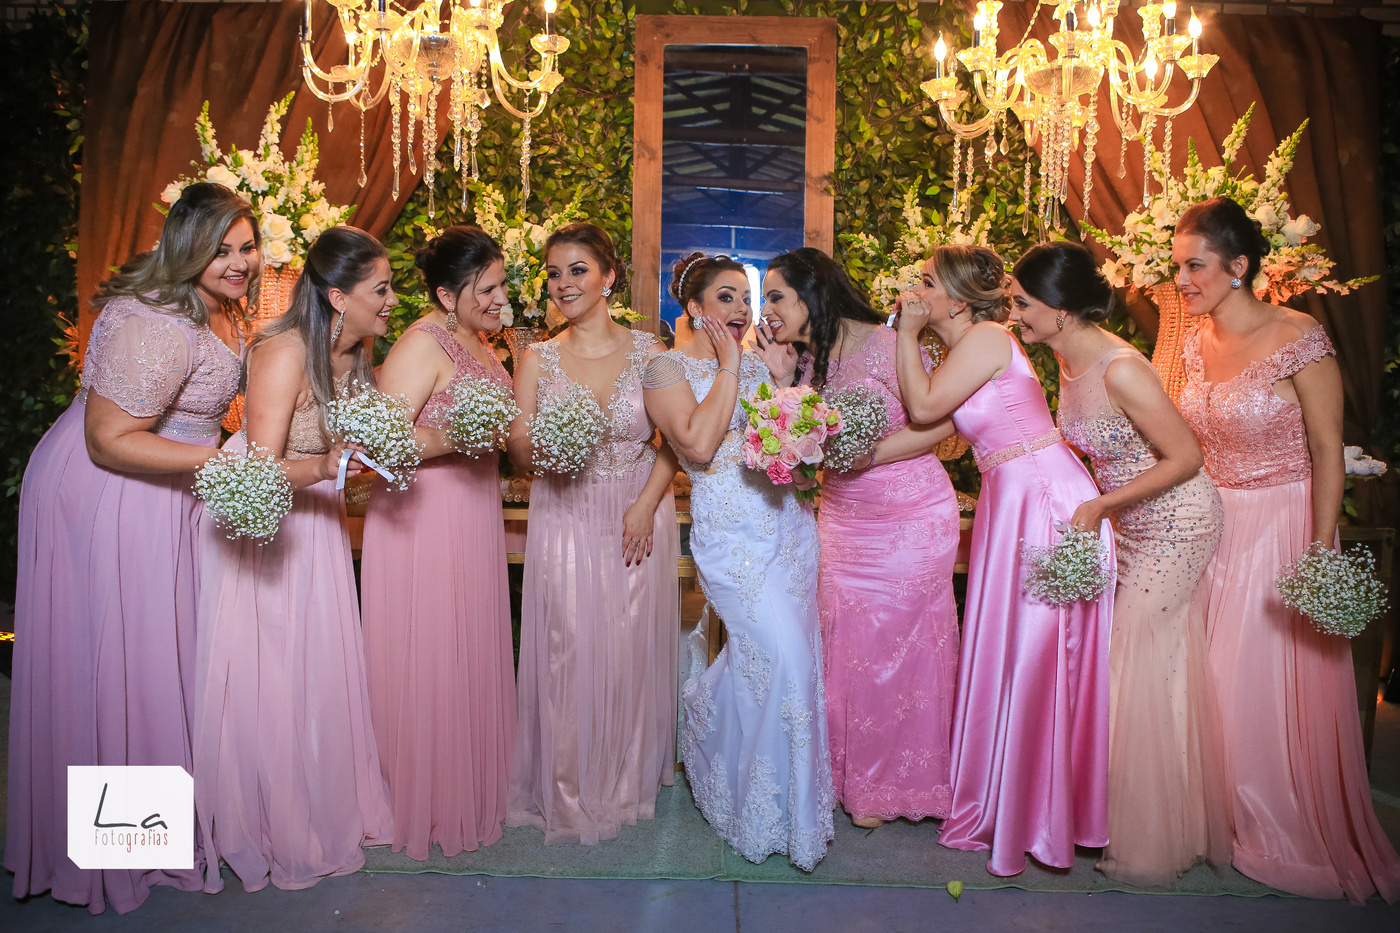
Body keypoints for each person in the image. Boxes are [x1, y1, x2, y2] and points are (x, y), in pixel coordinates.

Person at [6, 183, 252, 913]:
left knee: (155, 655)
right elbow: (109, 439)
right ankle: (123, 847)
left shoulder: (220, 304)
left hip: (165, 484)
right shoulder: (157, 320)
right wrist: (229, 464)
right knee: (124, 658)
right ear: (187, 248)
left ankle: (147, 830)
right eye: (221, 249)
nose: (239, 262)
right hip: (113, 491)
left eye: (247, 247)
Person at [1174, 196, 1400, 903]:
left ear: (1238, 266)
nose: (1181, 280)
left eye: (1194, 266)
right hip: (1210, 524)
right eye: (1177, 266)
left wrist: (1318, 547)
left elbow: (1328, 449)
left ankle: (1271, 819)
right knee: (1203, 674)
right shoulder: (1191, 340)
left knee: (1255, 677)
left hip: (1279, 522)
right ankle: (1209, 812)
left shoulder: (1298, 335)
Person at [1010, 240, 1231, 886]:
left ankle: (1147, 835)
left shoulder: (1121, 368)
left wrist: (1101, 505)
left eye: (1022, 304)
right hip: (1127, 527)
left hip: (1178, 521)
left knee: (1135, 658)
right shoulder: (1064, 359)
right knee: (1135, 665)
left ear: (1059, 307)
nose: (1015, 315)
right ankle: (1120, 813)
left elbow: (1186, 457)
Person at [894, 244, 1112, 877]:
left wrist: (905, 334)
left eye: (927, 282)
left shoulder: (988, 338)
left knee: (1036, 653)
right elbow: (938, 429)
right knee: (1010, 650)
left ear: (959, 300)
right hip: (1007, 498)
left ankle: (1040, 815)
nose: (916, 292)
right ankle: (1011, 799)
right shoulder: (966, 351)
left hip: (1042, 498)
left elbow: (924, 408)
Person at [193, 226, 394, 892]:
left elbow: (344, 448)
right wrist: (326, 466)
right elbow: (257, 470)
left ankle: (319, 799)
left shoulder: (358, 352)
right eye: (380, 290)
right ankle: (268, 816)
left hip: (317, 521)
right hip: (265, 522)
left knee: (317, 663)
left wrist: (370, 458)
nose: (391, 301)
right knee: (272, 669)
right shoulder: (283, 352)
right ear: (338, 297)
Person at [754, 246, 961, 828]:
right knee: (845, 642)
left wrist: (869, 455)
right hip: (843, 517)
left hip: (911, 514)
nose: (767, 310)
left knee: (899, 644)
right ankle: (848, 775)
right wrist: (781, 392)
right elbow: (803, 463)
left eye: (775, 296)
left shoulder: (890, 342)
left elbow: (947, 421)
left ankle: (897, 783)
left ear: (811, 293)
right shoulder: (805, 365)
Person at [641, 252, 833, 871]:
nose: (743, 309)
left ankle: (787, 809)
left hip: (788, 526)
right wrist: (729, 365)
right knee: (784, 655)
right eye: (726, 297)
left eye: (746, 298)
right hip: (730, 535)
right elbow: (696, 444)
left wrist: (786, 391)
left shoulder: (760, 363)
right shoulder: (664, 368)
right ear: (694, 306)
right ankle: (709, 725)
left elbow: (792, 455)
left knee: (792, 664)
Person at [505, 223, 680, 845]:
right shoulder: (537, 358)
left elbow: (677, 440)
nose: (563, 284)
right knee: (568, 646)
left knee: (630, 646)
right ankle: (568, 787)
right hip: (566, 509)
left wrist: (645, 505)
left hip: (636, 511)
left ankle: (625, 782)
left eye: (577, 270)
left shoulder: (651, 351)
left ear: (609, 276)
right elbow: (517, 450)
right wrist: (547, 447)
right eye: (554, 273)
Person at [361, 225, 517, 859]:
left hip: (473, 509)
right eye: (489, 288)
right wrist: (460, 437)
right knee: (430, 647)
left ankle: (467, 782)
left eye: (502, 284)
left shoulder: (481, 343)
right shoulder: (422, 344)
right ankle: (418, 793)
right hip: (425, 517)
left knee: (467, 643)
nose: (501, 297)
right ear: (448, 295)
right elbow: (379, 443)